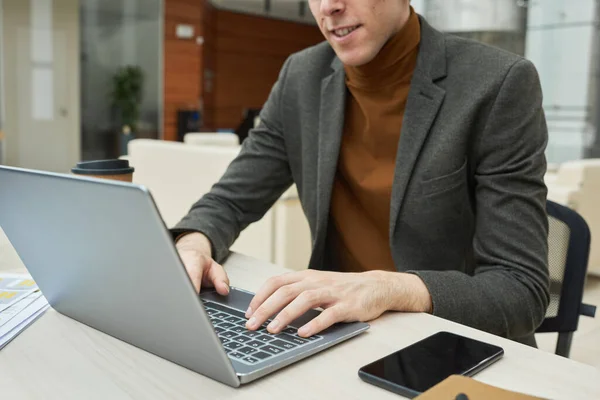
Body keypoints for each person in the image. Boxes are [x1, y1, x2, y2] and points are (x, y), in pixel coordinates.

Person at [171, 0, 550, 347]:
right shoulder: (301, 76)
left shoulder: (499, 82)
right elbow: (230, 200)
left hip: (450, 342)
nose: (329, 6)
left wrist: (388, 288)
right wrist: (193, 243)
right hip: (335, 333)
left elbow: (520, 290)